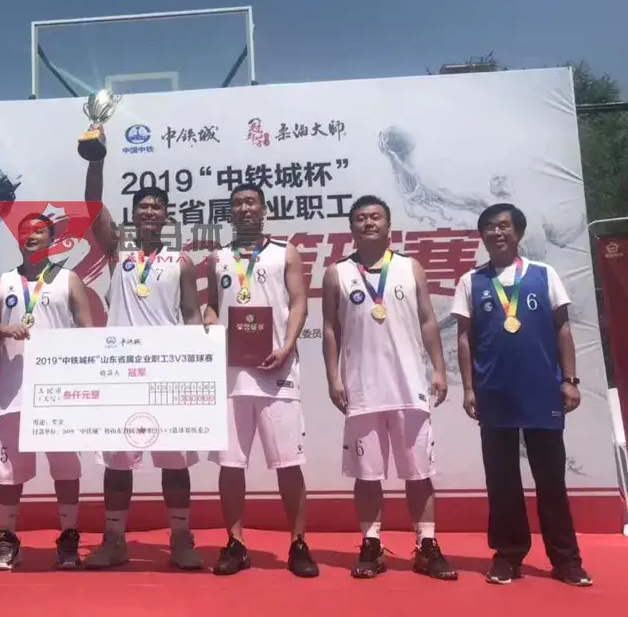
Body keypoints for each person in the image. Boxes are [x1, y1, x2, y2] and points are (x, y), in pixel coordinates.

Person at [452, 203, 592, 587]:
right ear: (481, 235)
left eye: (504, 226)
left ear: (518, 232)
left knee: (551, 481)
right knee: (502, 483)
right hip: (494, 393)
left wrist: (570, 380)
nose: (496, 232)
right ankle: (508, 556)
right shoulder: (471, 281)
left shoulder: (544, 274)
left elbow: (562, 329)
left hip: (542, 392)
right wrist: (469, 388)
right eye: (489, 227)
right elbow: (464, 338)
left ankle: (566, 560)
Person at [82, 141, 204, 570]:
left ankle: (181, 538)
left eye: (157, 207)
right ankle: (115, 539)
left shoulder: (181, 261)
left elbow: (191, 315)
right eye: (144, 207)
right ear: (134, 215)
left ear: (166, 215)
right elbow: (92, 204)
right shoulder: (118, 250)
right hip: (121, 373)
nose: (150, 212)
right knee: (117, 462)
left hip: (167, 374)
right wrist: (97, 159)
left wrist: (198, 366)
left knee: (175, 462)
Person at [321, 195, 456, 580]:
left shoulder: (410, 267)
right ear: (351, 227)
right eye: (361, 218)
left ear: (388, 224)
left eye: (375, 217)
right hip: (362, 388)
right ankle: (371, 543)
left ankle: (427, 544)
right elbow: (330, 329)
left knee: (419, 472)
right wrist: (333, 377)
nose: (369, 223)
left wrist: (439, 369)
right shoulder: (337, 272)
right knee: (367, 475)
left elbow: (428, 320)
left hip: (409, 386)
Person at [203, 184, 318, 577]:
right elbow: (211, 306)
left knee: (289, 464)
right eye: (237, 203)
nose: (244, 208)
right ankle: (236, 543)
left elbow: (299, 302)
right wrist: (210, 327)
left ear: (264, 209)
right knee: (230, 464)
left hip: (277, 373)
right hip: (232, 377)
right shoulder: (218, 257)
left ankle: (298, 543)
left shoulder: (285, 252)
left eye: (251, 202)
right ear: (230, 213)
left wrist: (287, 347)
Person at [0, 213, 95, 570]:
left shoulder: (68, 279)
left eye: (39, 231)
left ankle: (69, 536)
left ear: (52, 238)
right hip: (14, 393)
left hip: (58, 394)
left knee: (66, 469)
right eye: (25, 232)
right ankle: (7, 538)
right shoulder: (4, 281)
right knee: (10, 472)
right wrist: (4, 330)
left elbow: (89, 332)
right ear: (18, 239)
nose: (31, 237)